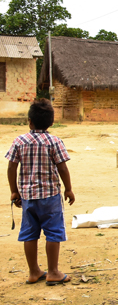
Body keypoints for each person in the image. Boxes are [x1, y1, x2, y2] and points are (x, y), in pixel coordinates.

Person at [6, 99, 74, 286]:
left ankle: (33, 271)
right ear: (51, 122)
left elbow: (11, 167)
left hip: (28, 197)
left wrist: (14, 191)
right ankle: (53, 272)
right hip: (50, 196)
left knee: (29, 233)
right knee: (53, 232)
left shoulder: (19, 141)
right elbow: (62, 168)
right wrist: (68, 189)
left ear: (29, 121)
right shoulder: (54, 141)